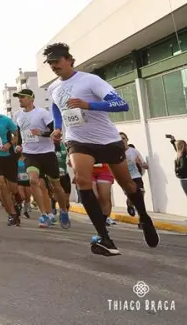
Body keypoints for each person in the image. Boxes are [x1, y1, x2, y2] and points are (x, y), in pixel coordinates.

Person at [45, 41, 158, 256]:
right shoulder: (53, 87)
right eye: (50, 63)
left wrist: (89, 105)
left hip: (107, 140)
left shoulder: (91, 81)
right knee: (83, 181)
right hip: (78, 140)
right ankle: (104, 237)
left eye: (57, 61)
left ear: (69, 60)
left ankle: (144, 216)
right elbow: (55, 106)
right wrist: (58, 127)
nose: (53, 65)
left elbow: (121, 104)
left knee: (127, 184)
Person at [12, 88, 71, 229]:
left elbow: (54, 131)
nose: (20, 100)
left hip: (47, 153)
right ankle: (44, 214)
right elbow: (20, 133)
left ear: (31, 99)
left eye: (22, 97)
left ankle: (63, 210)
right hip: (30, 154)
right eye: (18, 97)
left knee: (56, 186)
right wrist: (19, 145)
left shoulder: (42, 113)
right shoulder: (17, 115)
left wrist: (42, 133)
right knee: (33, 180)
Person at [120, 132, 148, 218]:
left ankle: (142, 218)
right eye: (119, 139)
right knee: (132, 196)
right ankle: (129, 204)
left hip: (136, 176)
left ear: (127, 140)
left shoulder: (134, 151)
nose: (122, 141)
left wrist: (142, 164)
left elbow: (145, 165)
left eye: (123, 138)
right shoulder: (117, 153)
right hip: (126, 178)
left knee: (141, 193)